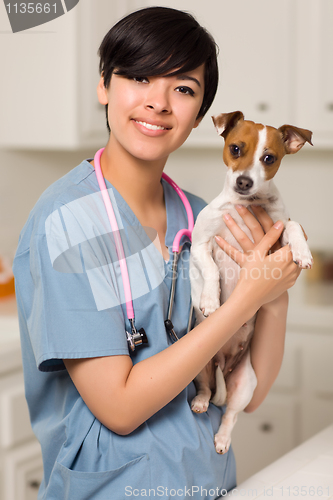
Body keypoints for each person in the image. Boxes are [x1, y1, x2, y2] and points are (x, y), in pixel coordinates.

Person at [13, 6, 300, 500]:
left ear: (200, 115)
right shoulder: (68, 221)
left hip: (204, 481)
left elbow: (252, 396)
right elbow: (120, 408)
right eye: (139, 77)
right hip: (112, 488)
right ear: (104, 86)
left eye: (184, 88)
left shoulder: (198, 216)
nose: (159, 102)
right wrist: (246, 298)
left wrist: (273, 293)